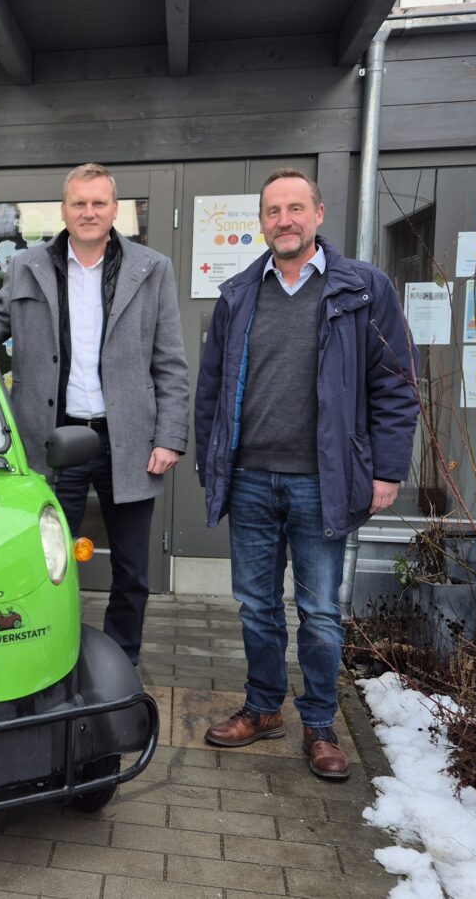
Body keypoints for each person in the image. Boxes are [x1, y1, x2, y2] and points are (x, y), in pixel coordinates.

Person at [194, 169, 419, 780]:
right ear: (261, 221)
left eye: (296, 208)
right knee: (256, 606)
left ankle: (321, 724)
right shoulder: (240, 292)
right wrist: (208, 460)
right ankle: (264, 707)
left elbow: (396, 385)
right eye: (273, 211)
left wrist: (388, 469)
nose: (284, 220)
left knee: (319, 611)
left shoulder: (363, 289)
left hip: (324, 480)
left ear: (319, 214)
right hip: (250, 478)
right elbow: (210, 389)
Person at [0, 163, 189, 665]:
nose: (89, 213)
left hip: (128, 440)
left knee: (133, 569)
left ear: (116, 210)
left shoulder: (150, 268)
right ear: (64, 210)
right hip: (53, 440)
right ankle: (52, 659)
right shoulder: (29, 265)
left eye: (98, 203)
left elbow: (170, 360)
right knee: (43, 562)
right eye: (79, 204)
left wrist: (170, 435)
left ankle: (119, 666)